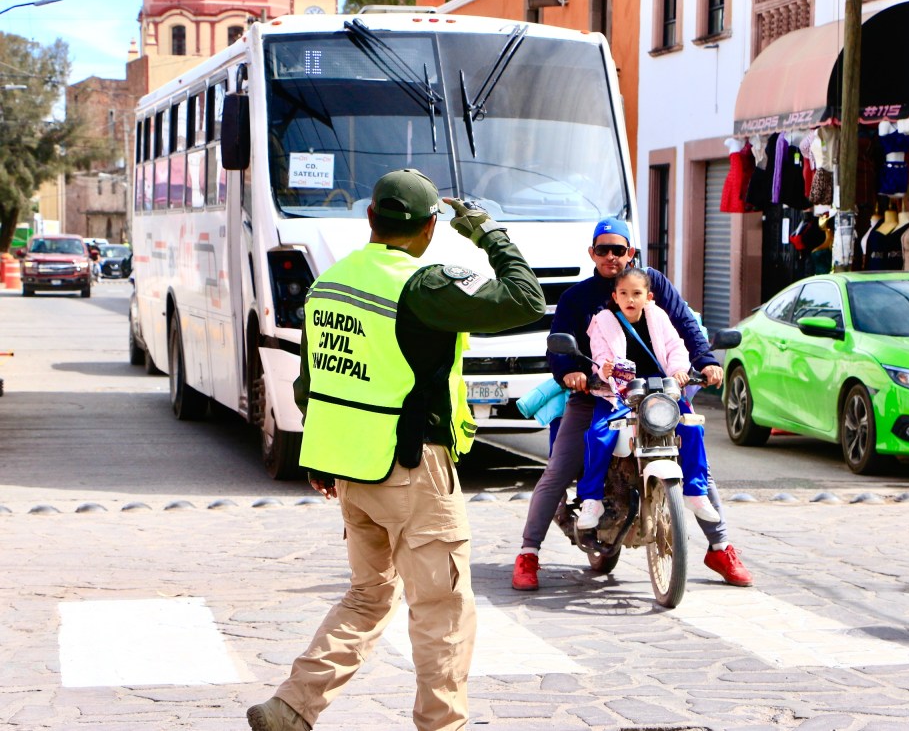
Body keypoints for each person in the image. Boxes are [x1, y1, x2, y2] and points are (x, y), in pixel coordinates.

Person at [247, 168, 545, 731]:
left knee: (367, 595)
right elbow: (525, 299)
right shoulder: (423, 285)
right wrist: (487, 234)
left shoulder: (330, 281)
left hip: (351, 470)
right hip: (414, 471)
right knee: (442, 609)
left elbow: (312, 384)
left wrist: (323, 458)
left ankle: (292, 705)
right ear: (431, 226)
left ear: (370, 219)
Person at [512, 217, 753, 591]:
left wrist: (704, 361)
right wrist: (570, 374)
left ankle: (720, 546)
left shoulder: (655, 287)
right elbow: (558, 344)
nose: (611, 256)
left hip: (658, 397)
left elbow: (685, 330)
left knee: (695, 454)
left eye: (618, 250)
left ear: (632, 254)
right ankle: (529, 553)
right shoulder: (579, 298)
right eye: (603, 250)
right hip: (599, 397)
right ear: (592, 253)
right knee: (559, 469)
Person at [575, 267, 719, 529]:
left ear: (648, 296)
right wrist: (605, 370)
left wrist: (678, 371)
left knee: (692, 426)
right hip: (619, 392)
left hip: (662, 390)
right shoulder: (602, 321)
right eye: (624, 293)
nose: (630, 299)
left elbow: (677, 347)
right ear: (615, 296)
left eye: (636, 293)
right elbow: (600, 356)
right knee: (599, 434)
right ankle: (592, 500)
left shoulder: (659, 317)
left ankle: (696, 492)